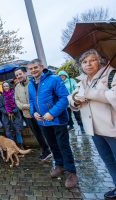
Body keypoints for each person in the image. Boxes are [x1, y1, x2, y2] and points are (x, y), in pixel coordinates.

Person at [68, 49, 116, 199]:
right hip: (93, 128)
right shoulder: (82, 80)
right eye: (84, 62)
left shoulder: (111, 74)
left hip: (111, 127)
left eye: (92, 60)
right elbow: (72, 96)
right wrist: (75, 101)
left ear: (100, 61)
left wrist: (91, 94)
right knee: (108, 160)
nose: (88, 64)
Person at [28, 58, 78, 189]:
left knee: (63, 146)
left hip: (57, 120)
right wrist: (34, 113)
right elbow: (32, 101)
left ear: (42, 67)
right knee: (53, 145)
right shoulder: (30, 84)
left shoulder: (54, 79)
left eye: (35, 67)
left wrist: (52, 113)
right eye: (31, 68)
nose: (33, 70)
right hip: (43, 122)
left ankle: (71, 172)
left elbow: (64, 98)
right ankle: (60, 165)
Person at [14, 68, 52, 161]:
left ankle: (52, 149)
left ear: (25, 73)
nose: (19, 76)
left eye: (20, 74)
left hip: (38, 113)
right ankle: (45, 150)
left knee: (45, 132)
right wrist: (24, 106)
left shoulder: (32, 83)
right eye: (17, 75)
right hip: (27, 115)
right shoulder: (17, 87)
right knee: (37, 134)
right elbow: (17, 100)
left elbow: (38, 98)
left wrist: (29, 106)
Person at [0, 82, 24, 149]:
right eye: (4, 86)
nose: (6, 87)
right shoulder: (2, 96)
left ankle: (20, 145)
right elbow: (1, 107)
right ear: (3, 88)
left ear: (9, 86)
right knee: (8, 132)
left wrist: (13, 111)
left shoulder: (14, 94)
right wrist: (7, 112)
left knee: (17, 131)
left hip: (15, 116)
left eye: (7, 86)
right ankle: (13, 147)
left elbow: (17, 104)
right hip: (6, 117)